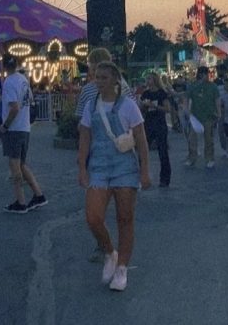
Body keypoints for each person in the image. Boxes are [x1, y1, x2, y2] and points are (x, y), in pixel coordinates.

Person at [77, 62, 152, 292]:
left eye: (104, 77)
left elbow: (140, 138)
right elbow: (85, 137)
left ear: (115, 80)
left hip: (124, 167)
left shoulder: (128, 106)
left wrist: (144, 169)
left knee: (125, 217)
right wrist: (82, 167)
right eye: (96, 77)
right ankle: (110, 251)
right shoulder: (91, 106)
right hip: (99, 166)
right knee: (93, 217)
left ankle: (122, 268)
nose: (99, 81)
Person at [0, 55, 46, 213]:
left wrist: (5, 126)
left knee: (14, 165)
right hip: (25, 127)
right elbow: (28, 101)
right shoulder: (23, 80)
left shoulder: (9, 82)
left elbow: (14, 107)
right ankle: (38, 194)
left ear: (4, 66)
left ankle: (21, 201)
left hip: (14, 129)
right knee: (21, 164)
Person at [139, 73, 173, 187]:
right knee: (143, 151)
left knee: (162, 152)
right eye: (147, 79)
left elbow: (167, 109)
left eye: (149, 78)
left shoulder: (161, 93)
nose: (147, 81)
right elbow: (141, 109)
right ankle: (142, 176)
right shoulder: (145, 93)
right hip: (148, 123)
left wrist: (154, 106)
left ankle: (164, 178)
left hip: (160, 123)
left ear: (155, 80)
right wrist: (144, 106)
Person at [185, 66, 220, 168]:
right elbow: (187, 97)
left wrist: (219, 112)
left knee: (208, 139)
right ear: (200, 74)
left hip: (209, 115)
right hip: (195, 116)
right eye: (205, 74)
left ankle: (209, 158)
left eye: (207, 73)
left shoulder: (213, 86)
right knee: (192, 139)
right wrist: (187, 110)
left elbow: (217, 100)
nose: (207, 76)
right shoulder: (193, 86)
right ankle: (192, 157)